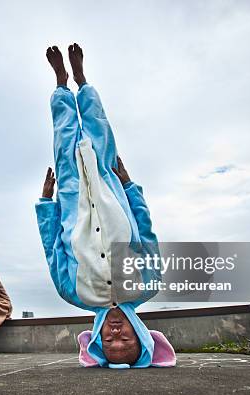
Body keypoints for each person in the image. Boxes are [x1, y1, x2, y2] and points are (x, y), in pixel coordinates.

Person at [35, 43, 176, 368]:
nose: (115, 334)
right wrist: (129, 185)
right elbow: (146, 232)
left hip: (73, 201)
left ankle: (60, 84)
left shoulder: (74, 294)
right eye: (125, 339)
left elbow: (53, 249)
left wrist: (46, 202)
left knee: (64, 138)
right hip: (112, 193)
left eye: (108, 341)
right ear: (141, 334)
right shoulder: (148, 286)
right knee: (99, 132)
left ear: (96, 335)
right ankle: (82, 81)